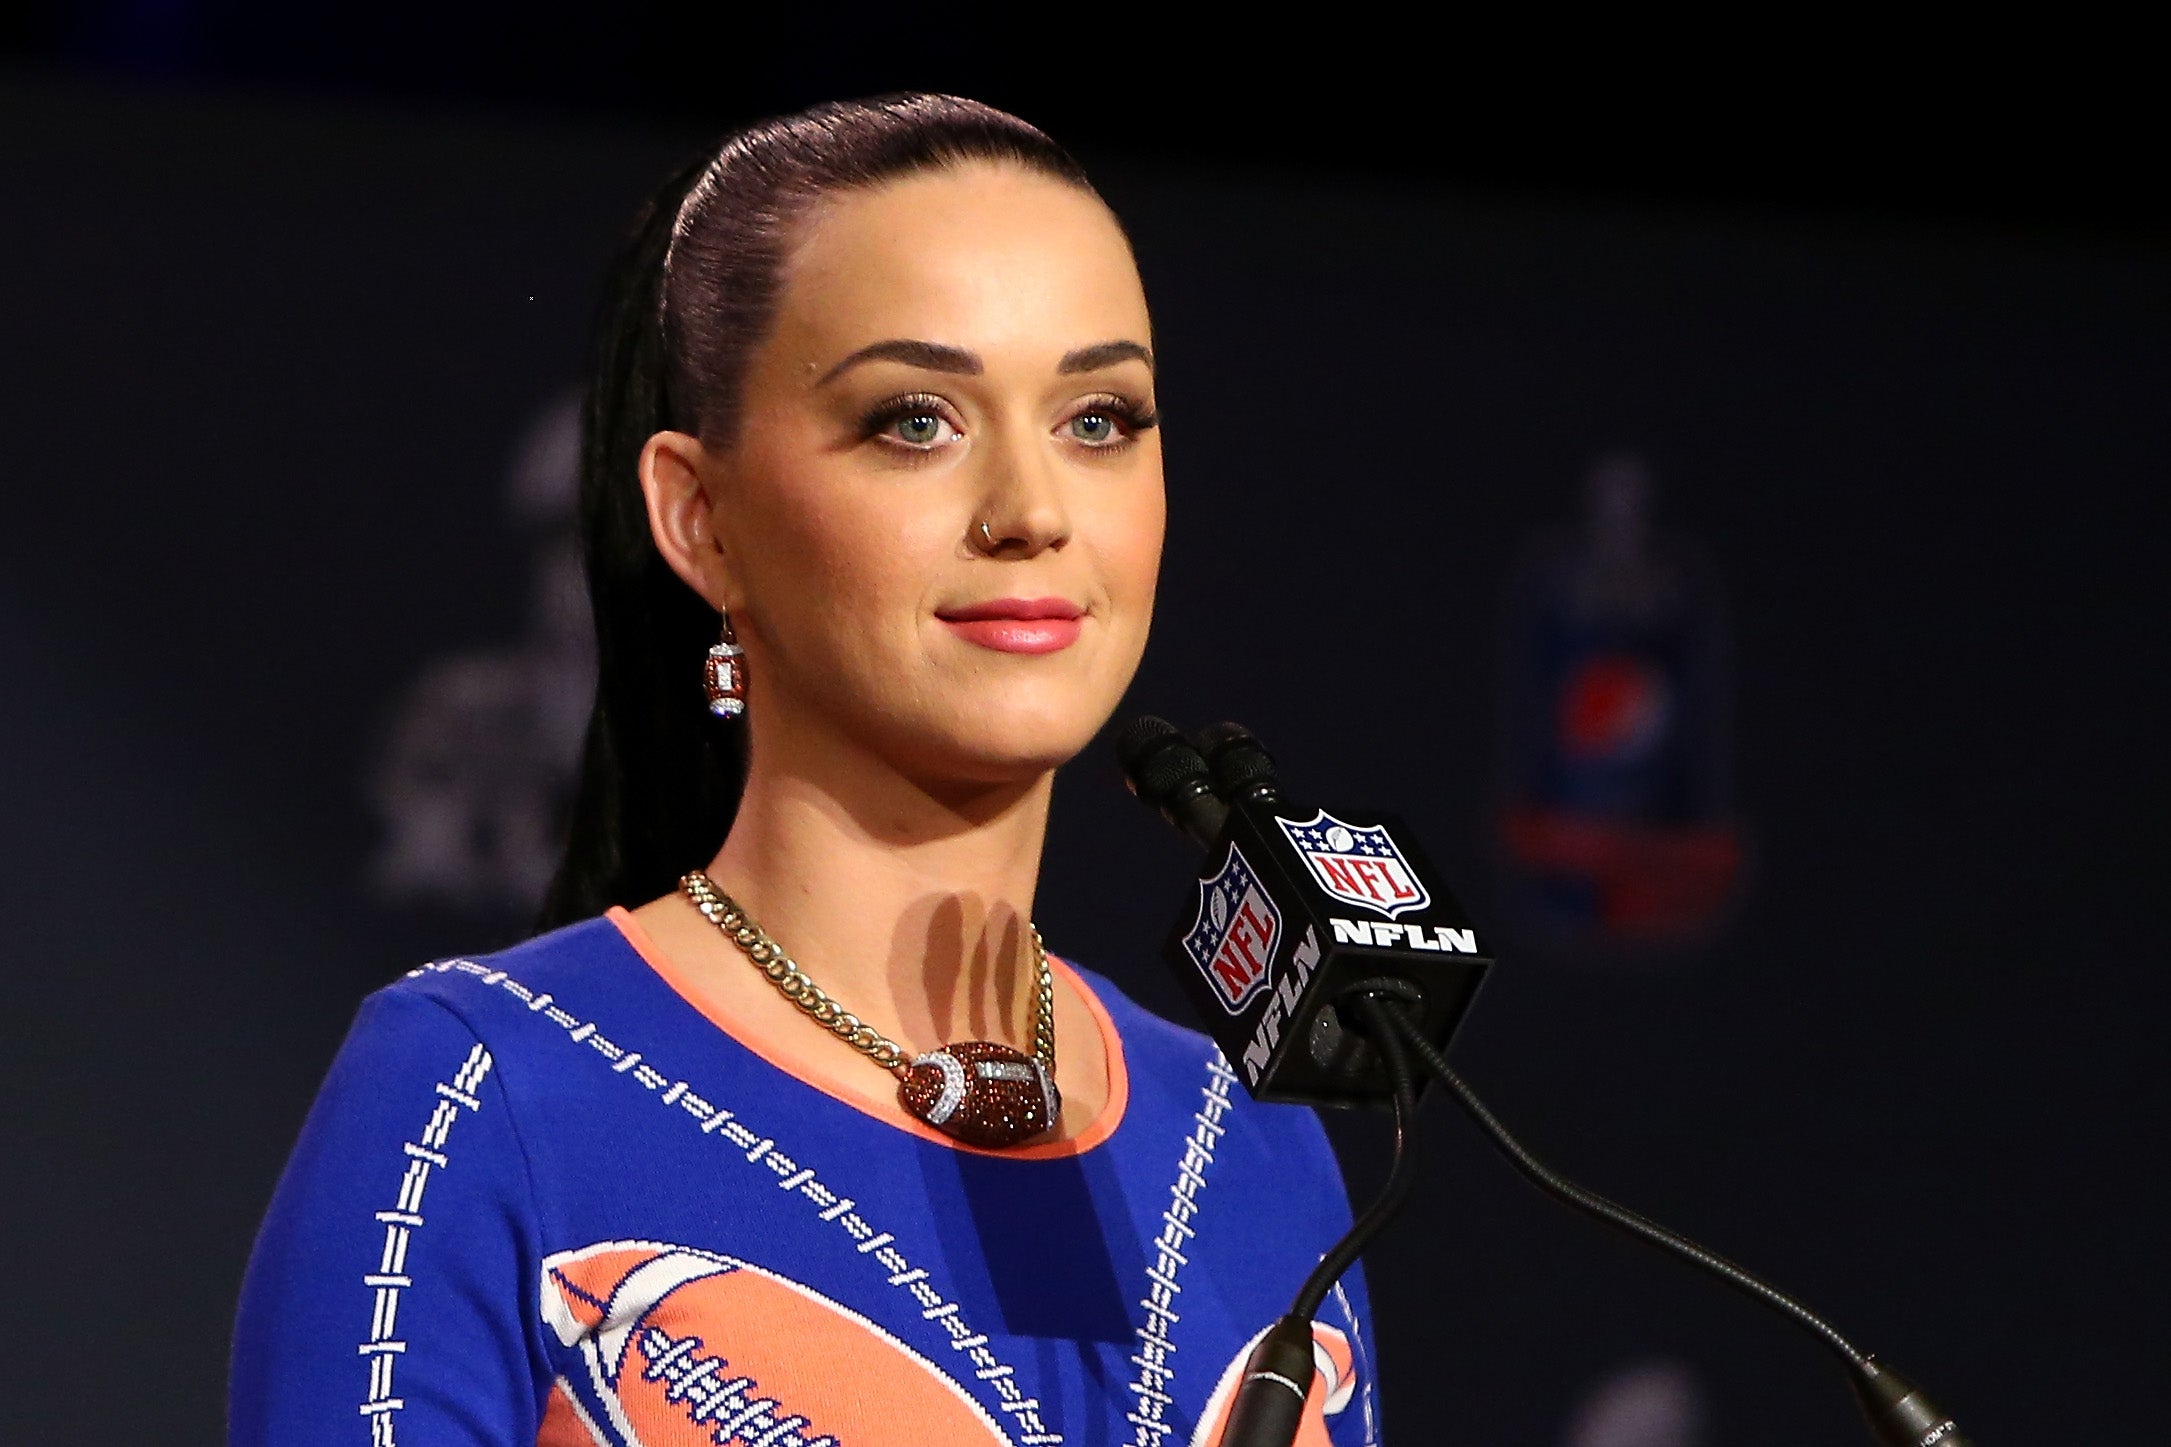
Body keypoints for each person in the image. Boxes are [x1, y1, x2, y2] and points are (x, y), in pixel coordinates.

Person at [230, 94, 1378, 1447]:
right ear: (700, 518)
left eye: (1100, 418)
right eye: (915, 420)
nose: (1032, 511)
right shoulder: (476, 1097)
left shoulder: (1251, 1151)